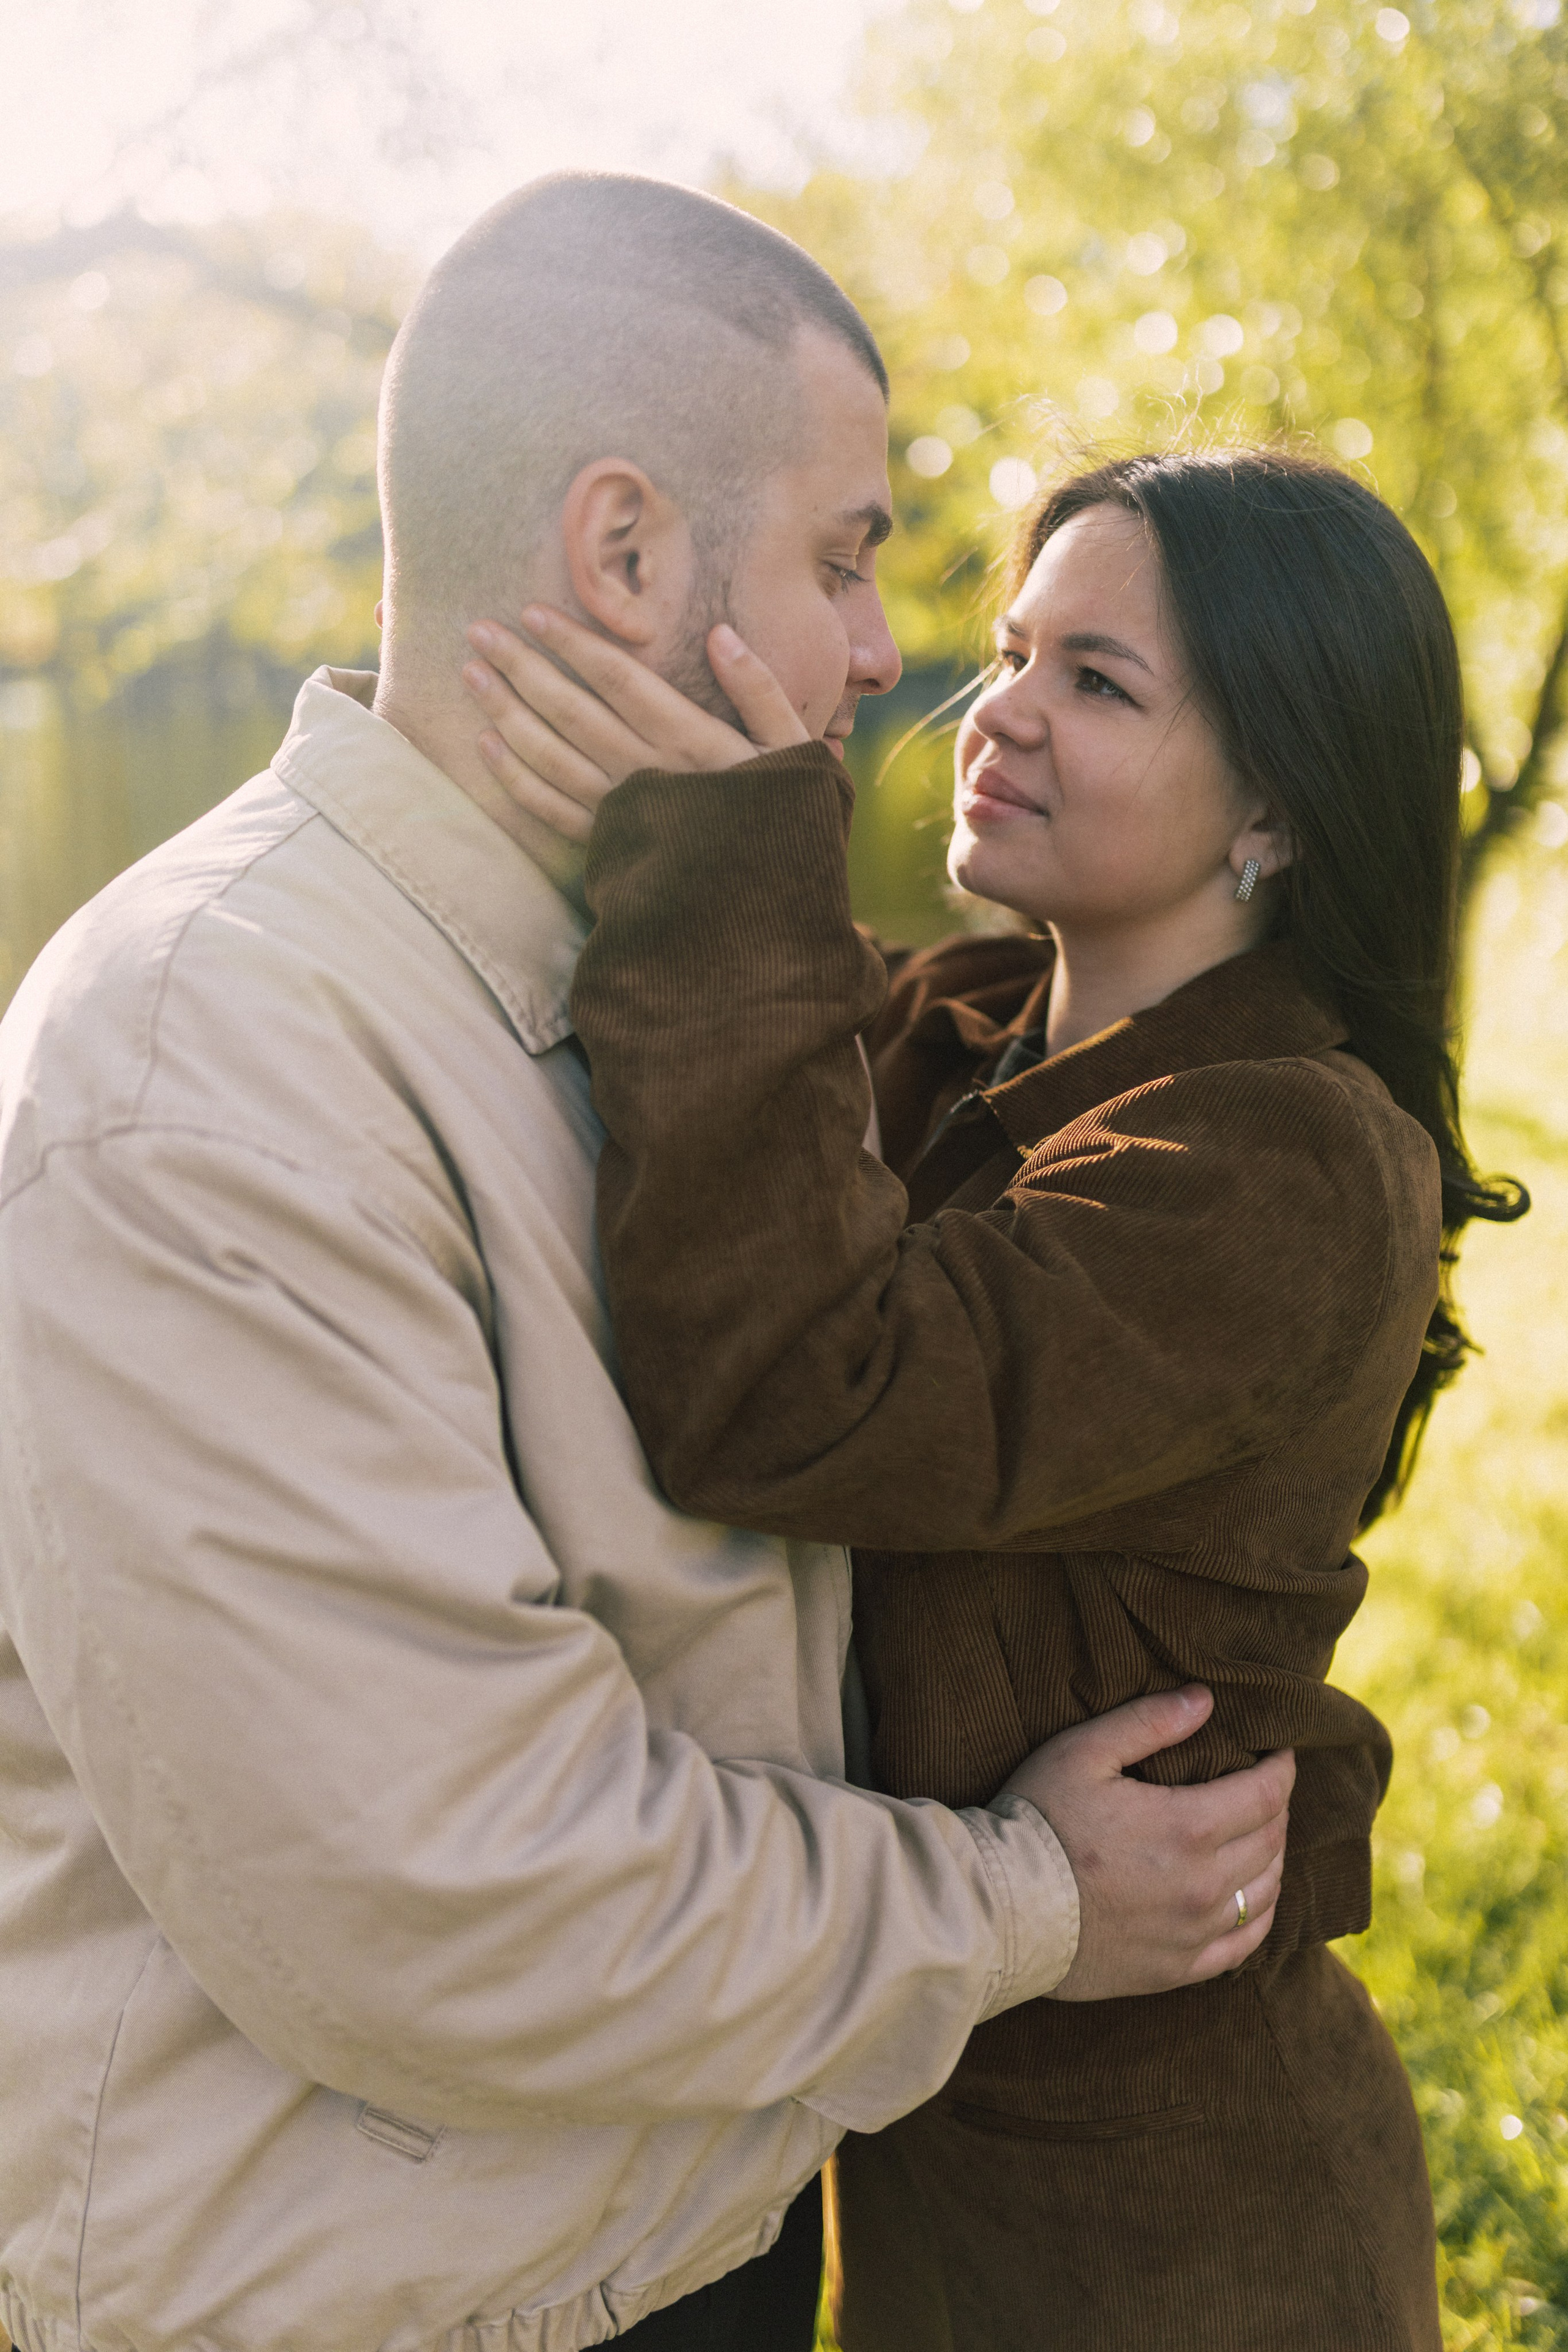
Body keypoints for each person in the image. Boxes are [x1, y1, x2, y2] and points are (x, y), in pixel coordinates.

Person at [0, 181, 1294, 2352]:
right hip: (362, 2302)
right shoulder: (208, 1076)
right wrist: (1027, 1901)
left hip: (671, 2226)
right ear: (620, 555)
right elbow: (461, 1899)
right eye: (846, 557)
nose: (892, 654)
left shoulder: (642, 983)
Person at [460, 442, 1526, 2350]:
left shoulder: (1288, 1161)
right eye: (1010, 651)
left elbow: (800, 1391)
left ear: (1273, 810)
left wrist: (736, 834)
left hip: (1181, 2228)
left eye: (1095, 685)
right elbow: (724, 1090)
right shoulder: (961, 1032)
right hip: (935, 2164)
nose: (994, 716)